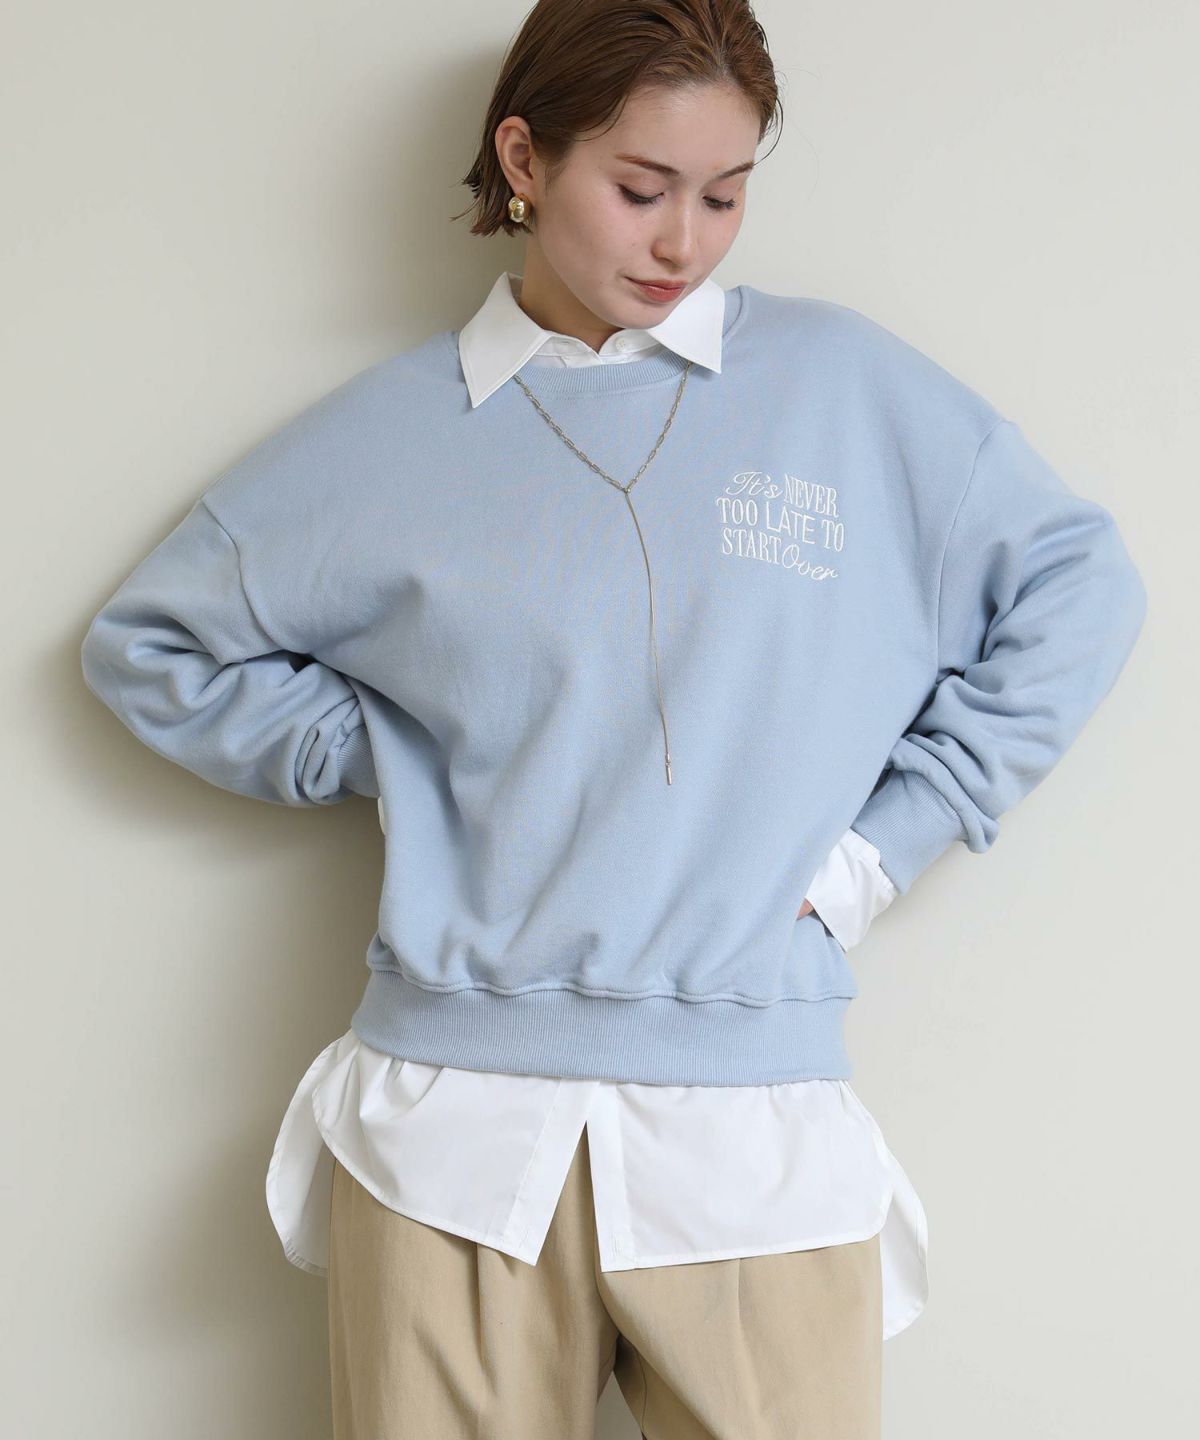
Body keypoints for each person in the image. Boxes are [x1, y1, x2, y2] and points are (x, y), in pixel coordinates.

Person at [78, 1, 1148, 1436]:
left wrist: (883, 848)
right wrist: (382, 754)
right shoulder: (393, 437)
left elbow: (1080, 586)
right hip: (452, 1132)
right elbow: (151, 645)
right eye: (641, 190)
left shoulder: (845, 395)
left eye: (726, 193)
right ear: (525, 159)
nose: (683, 241)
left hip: (752, 1126)